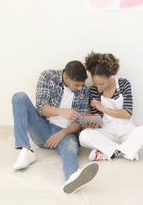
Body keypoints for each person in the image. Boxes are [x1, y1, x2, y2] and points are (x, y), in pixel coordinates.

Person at [11, 60, 98, 194]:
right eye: (77, 85)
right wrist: (62, 111)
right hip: (43, 128)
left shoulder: (83, 91)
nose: (80, 88)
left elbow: (79, 122)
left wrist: (62, 133)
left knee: (70, 149)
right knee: (19, 97)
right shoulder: (48, 77)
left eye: (81, 85)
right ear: (65, 78)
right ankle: (26, 151)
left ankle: (72, 177)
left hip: (66, 133)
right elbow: (41, 108)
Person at [79, 52, 143, 161]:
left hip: (127, 132)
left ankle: (108, 152)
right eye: (96, 84)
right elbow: (98, 119)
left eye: (102, 83)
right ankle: (126, 151)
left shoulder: (124, 84)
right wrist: (92, 124)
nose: (98, 88)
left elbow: (127, 114)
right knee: (83, 136)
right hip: (107, 132)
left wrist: (103, 108)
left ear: (110, 76)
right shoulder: (93, 91)